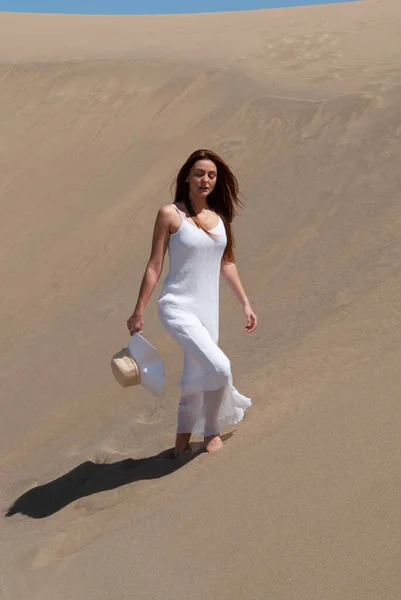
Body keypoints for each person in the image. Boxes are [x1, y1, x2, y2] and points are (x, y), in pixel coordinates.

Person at [127, 149, 257, 457]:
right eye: (199, 173)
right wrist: (139, 309)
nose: (205, 180)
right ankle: (211, 431)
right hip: (176, 306)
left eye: (211, 175)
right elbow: (154, 264)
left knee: (197, 374)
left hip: (207, 311)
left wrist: (245, 304)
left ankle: (181, 442)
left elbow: (226, 263)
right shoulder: (170, 214)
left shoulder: (219, 218)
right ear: (187, 176)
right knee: (220, 367)